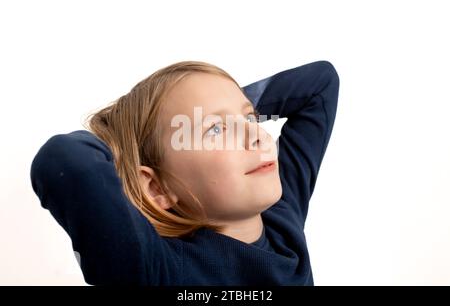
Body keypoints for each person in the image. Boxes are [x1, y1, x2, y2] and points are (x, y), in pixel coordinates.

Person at [30, 60, 340, 285]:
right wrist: (129, 136)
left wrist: (212, 109)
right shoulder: (155, 270)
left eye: (251, 119)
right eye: (217, 130)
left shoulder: (282, 217)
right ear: (157, 189)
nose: (255, 136)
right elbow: (63, 159)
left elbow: (320, 84)